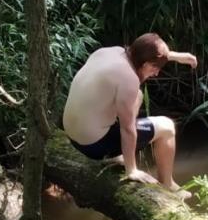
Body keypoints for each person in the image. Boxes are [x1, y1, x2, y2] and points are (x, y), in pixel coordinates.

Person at [62, 32, 197, 192]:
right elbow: (127, 129)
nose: (156, 73)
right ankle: (167, 184)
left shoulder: (109, 52)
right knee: (167, 127)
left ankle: (116, 154)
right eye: (156, 68)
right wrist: (131, 169)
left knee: (136, 96)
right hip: (93, 146)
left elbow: (140, 52)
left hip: (73, 136)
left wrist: (175, 56)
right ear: (146, 64)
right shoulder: (129, 79)